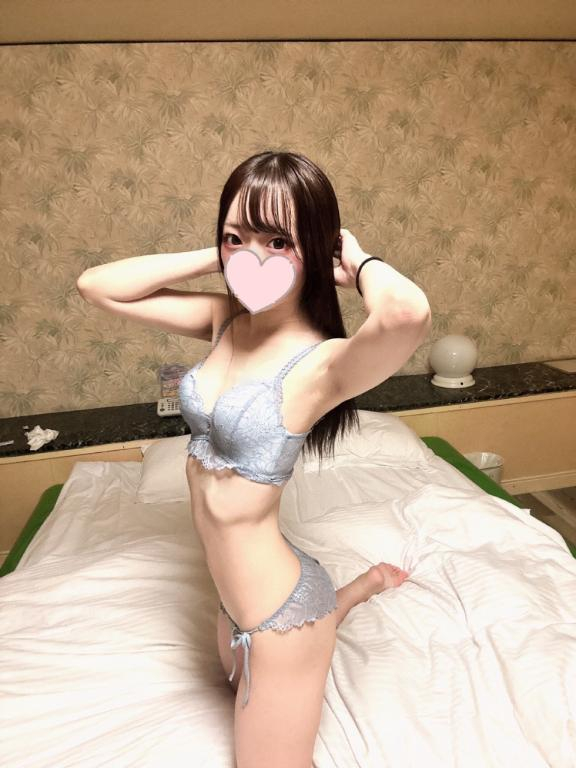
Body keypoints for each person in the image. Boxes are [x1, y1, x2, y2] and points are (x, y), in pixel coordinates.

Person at [76, 150, 431, 768]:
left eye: (278, 241)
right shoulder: (223, 319)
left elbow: (407, 313)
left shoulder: (326, 363)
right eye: (236, 237)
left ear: (315, 249)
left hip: (278, 621)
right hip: (233, 607)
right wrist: (223, 255)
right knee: (240, 686)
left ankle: (336, 606)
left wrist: (357, 261)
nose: (253, 258)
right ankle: (359, 588)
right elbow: (98, 287)